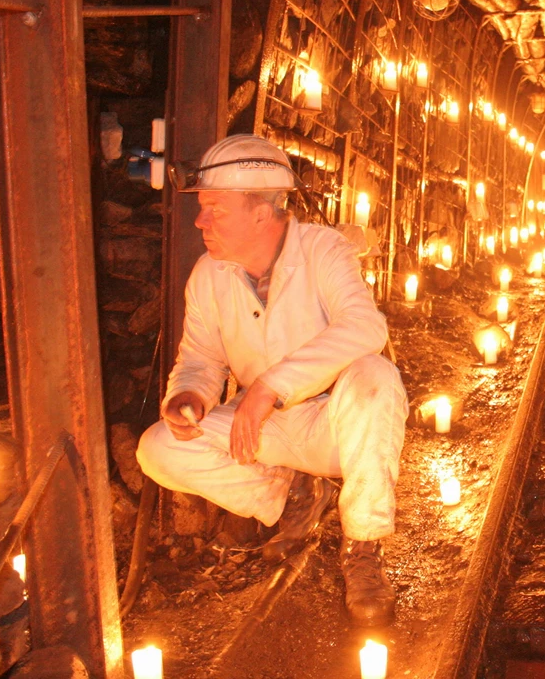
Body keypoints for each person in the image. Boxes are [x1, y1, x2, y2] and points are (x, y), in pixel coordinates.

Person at [136, 134, 408, 627]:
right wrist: (189, 396)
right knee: (158, 448)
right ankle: (293, 495)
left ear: (261, 213)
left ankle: (363, 548)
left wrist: (268, 387)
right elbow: (201, 356)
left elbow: (365, 326)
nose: (201, 221)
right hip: (264, 427)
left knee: (376, 376)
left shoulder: (323, 250)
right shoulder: (209, 274)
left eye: (214, 208)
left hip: (336, 423)